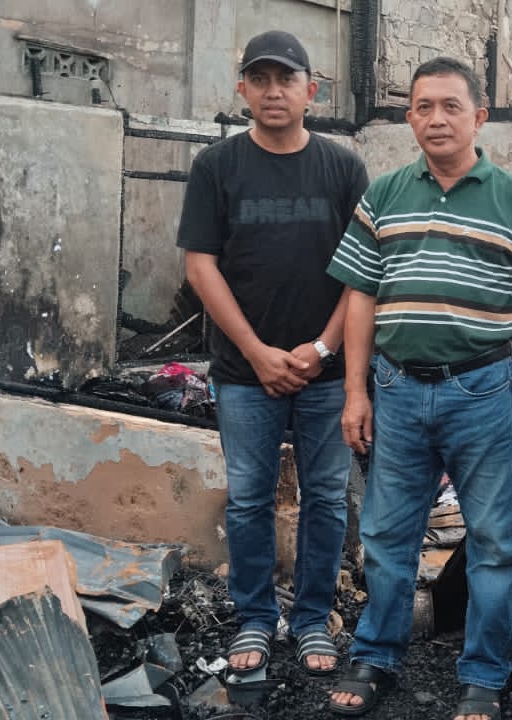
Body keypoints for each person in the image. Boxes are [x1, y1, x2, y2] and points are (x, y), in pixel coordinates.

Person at [325, 57, 512, 720]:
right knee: (387, 535)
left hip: (482, 391)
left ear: (479, 117)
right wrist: (356, 391)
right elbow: (360, 296)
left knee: (493, 542)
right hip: (398, 389)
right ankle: (375, 656)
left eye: (451, 106)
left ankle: (484, 675)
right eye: (423, 107)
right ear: (410, 117)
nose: (436, 119)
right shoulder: (384, 195)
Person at [175, 29, 368, 684]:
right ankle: (255, 616)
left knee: (327, 498)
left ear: (312, 91)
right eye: (260, 79)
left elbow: (362, 272)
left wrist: (323, 348)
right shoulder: (217, 167)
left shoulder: (343, 169)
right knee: (250, 499)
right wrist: (256, 352)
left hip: (327, 373)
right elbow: (201, 266)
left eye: (286, 79)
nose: (273, 90)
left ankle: (312, 617)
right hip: (243, 374)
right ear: (243, 90)